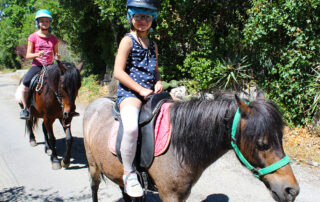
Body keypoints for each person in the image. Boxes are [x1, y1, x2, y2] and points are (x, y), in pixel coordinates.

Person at [113, 0, 162, 198]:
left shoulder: (153, 44)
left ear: (152, 19)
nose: (143, 21)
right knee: (132, 127)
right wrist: (140, 90)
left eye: (147, 17)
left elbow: (156, 71)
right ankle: (128, 173)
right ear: (131, 18)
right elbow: (118, 71)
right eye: (139, 16)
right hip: (130, 93)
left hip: (150, 92)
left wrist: (159, 82)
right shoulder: (127, 40)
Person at [15, 9, 60, 119]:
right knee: (25, 83)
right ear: (38, 23)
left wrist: (57, 57)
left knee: (66, 82)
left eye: (47, 21)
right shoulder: (33, 37)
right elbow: (28, 55)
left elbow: (56, 53)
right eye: (42, 21)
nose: (44, 23)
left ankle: (67, 108)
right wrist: (37, 54)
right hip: (37, 66)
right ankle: (26, 109)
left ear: (50, 23)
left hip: (51, 66)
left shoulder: (54, 39)